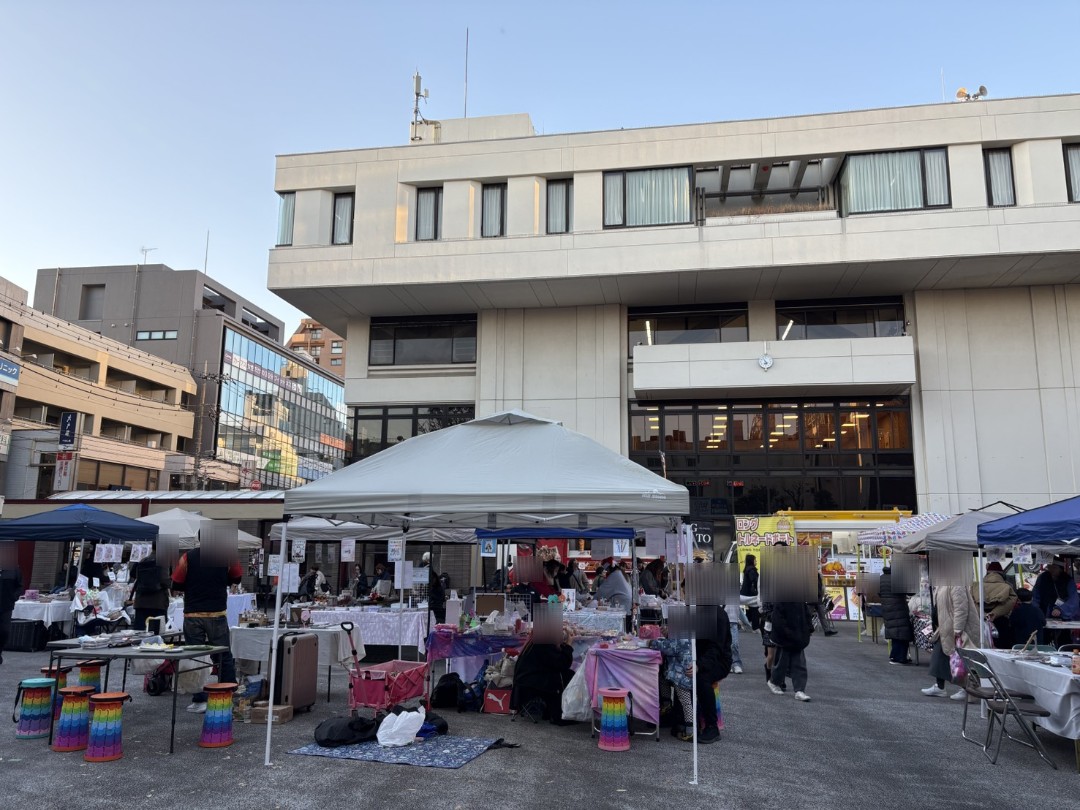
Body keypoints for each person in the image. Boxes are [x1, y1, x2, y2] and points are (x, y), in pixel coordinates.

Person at [171, 545, 243, 713]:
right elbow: (237, 577)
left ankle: (200, 699)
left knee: (195, 656)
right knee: (223, 654)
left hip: (193, 613)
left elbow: (176, 582)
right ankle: (227, 694)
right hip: (216, 611)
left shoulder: (188, 557)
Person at [653, 609, 732, 743]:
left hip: (717, 660)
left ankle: (711, 726)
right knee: (672, 673)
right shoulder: (693, 610)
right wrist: (670, 633)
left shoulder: (719, 615)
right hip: (693, 657)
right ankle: (678, 717)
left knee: (701, 679)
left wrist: (699, 666)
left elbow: (716, 649)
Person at [921, 584, 981, 700]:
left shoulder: (956, 583)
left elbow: (961, 608)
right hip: (945, 628)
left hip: (957, 629)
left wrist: (958, 629)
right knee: (940, 657)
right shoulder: (942, 583)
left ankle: (967, 689)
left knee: (961, 662)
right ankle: (940, 686)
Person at [511, 623, 576, 724]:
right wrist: (568, 645)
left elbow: (553, 660)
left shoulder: (538, 640)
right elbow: (562, 663)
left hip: (525, 679)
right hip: (530, 681)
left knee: (567, 674)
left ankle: (552, 711)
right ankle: (558, 714)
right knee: (566, 676)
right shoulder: (543, 643)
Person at [767, 598, 814, 701]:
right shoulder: (780, 600)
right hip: (785, 637)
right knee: (782, 663)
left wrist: (809, 628)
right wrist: (788, 633)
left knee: (800, 664)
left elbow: (806, 614)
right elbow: (778, 619)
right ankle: (774, 682)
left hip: (798, 636)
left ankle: (799, 690)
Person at [973, 561, 1016, 649]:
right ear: (1001, 574)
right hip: (1001, 623)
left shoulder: (976, 586)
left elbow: (971, 602)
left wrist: (983, 614)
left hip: (979, 623)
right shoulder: (1007, 587)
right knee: (1002, 650)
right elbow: (1010, 603)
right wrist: (994, 613)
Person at [879, 565, 914, 665]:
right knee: (902, 633)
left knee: (895, 633)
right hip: (899, 608)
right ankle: (900, 658)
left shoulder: (881, 578)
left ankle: (894, 656)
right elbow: (911, 592)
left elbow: (878, 593)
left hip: (887, 609)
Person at [131, 555, 170, 632]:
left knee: (139, 632)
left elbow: (133, 574)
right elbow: (165, 581)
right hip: (158, 603)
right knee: (157, 633)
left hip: (141, 602)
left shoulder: (142, 561)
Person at [0, 561, 22, 665]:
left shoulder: (13, 570)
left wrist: (13, 597)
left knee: (4, 631)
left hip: (6, 605)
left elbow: (20, 586)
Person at [741, 554, 760, 630]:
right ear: (752, 561)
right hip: (749, 595)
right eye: (755, 560)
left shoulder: (747, 569)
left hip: (745, 594)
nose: (756, 561)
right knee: (756, 608)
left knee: (752, 608)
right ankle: (755, 627)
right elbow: (754, 580)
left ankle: (747, 621)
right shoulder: (752, 570)